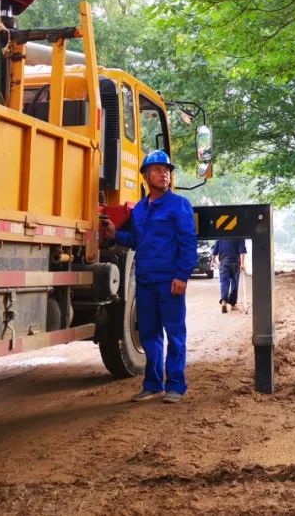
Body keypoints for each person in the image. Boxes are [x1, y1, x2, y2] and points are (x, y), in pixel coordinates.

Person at [110, 150, 197, 403]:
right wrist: (114, 233)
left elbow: (188, 243)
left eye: (167, 170)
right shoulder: (139, 209)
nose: (164, 175)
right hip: (145, 282)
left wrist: (182, 276)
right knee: (149, 335)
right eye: (158, 170)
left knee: (175, 334)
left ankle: (176, 386)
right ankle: (152, 384)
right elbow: (136, 240)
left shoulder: (179, 205)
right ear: (146, 176)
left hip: (170, 282)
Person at [211, 237, 247, 312]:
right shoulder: (239, 235)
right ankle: (233, 304)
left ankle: (224, 301)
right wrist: (242, 263)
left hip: (224, 263)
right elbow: (242, 250)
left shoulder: (221, 235)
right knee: (234, 283)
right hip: (235, 263)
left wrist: (213, 260)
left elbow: (214, 252)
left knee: (224, 282)